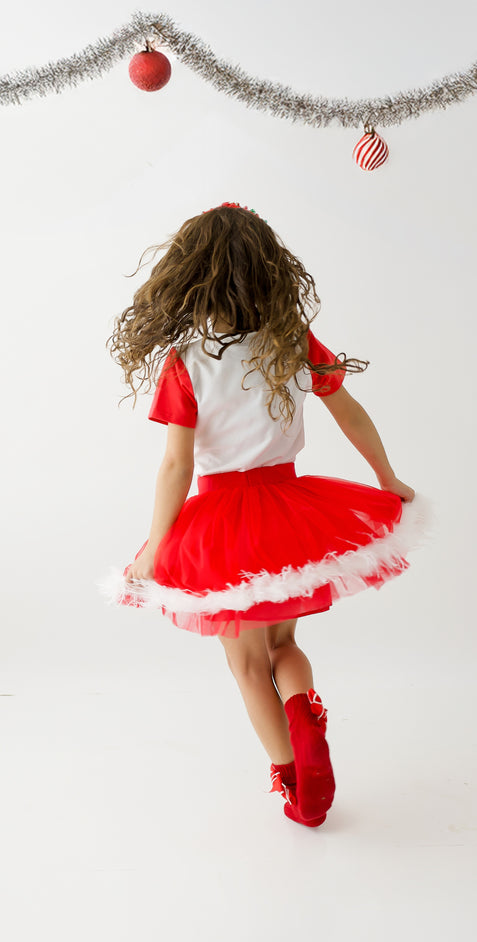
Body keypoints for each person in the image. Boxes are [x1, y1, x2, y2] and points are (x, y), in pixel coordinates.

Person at [99, 202, 426, 828]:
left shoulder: (187, 361)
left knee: (245, 661)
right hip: (291, 513)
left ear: (190, 277)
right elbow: (348, 412)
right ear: (271, 272)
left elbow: (176, 467)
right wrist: (387, 478)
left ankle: (294, 782)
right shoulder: (291, 342)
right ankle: (302, 706)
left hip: (225, 523)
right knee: (283, 645)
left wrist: (153, 548)